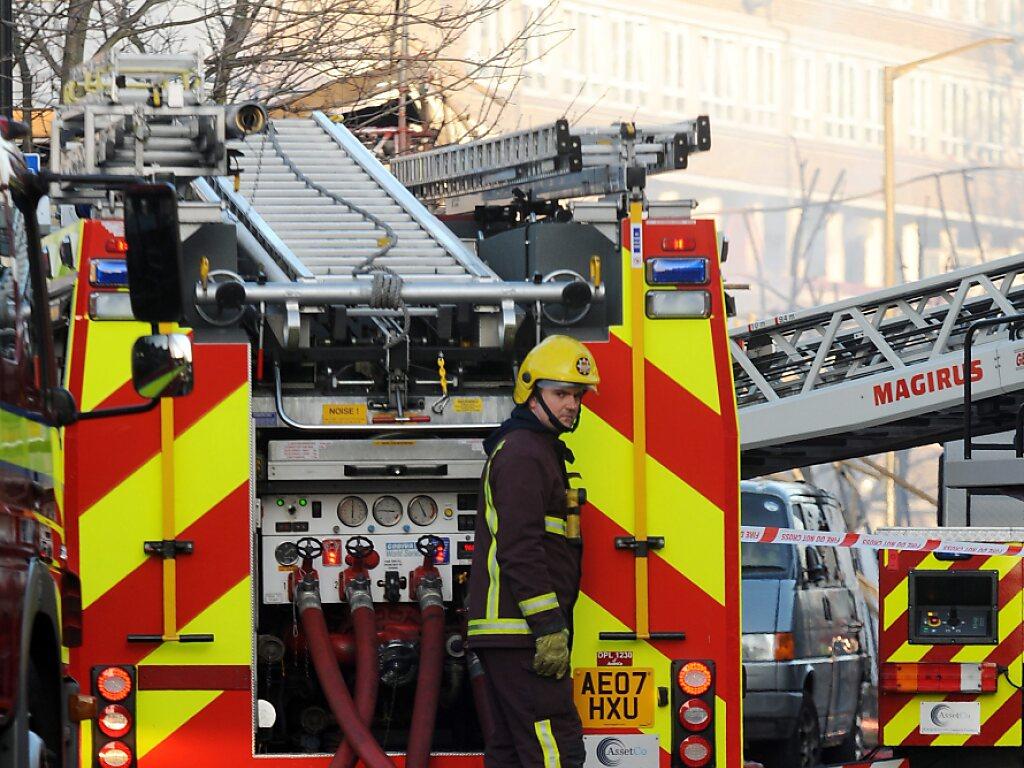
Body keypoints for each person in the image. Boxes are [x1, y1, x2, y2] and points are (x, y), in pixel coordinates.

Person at [467, 334, 600, 768]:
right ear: (530, 392)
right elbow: (520, 549)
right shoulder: (524, 454)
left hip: (512, 633)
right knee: (554, 747)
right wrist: (547, 627)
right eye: (561, 394)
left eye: (577, 396)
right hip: (521, 632)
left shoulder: (534, 449)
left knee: (511, 751)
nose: (572, 405)